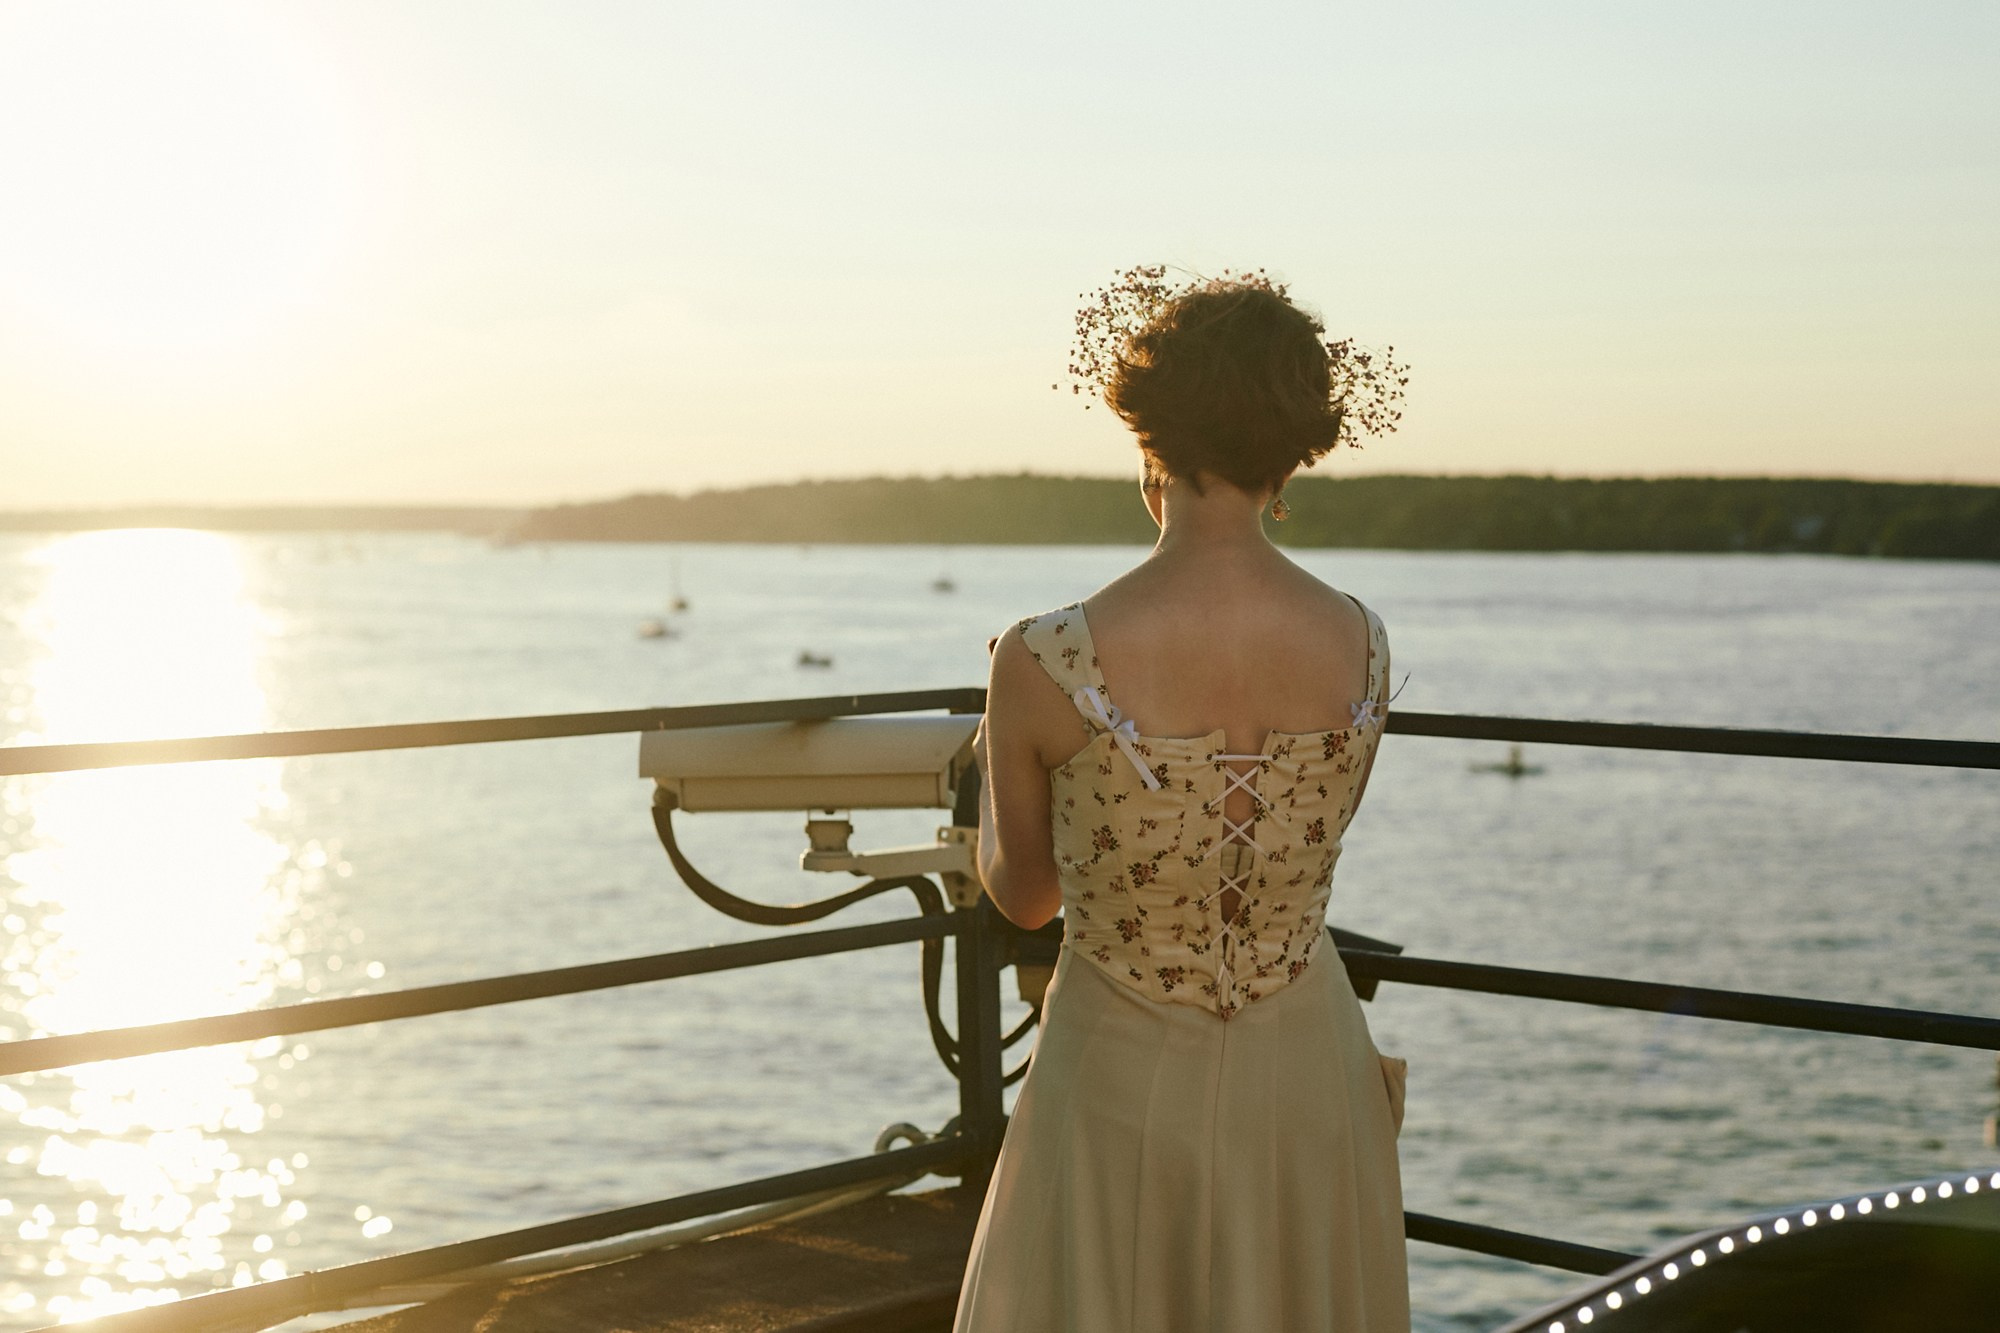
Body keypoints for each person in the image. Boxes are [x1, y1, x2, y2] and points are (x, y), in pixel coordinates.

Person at [955, 277, 1410, 1332]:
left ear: (1148, 439)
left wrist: (993, 750)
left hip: (1116, 1071)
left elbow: (1021, 898)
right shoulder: (1361, 641)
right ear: (1289, 455)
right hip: (1307, 1073)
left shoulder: (1043, 657)